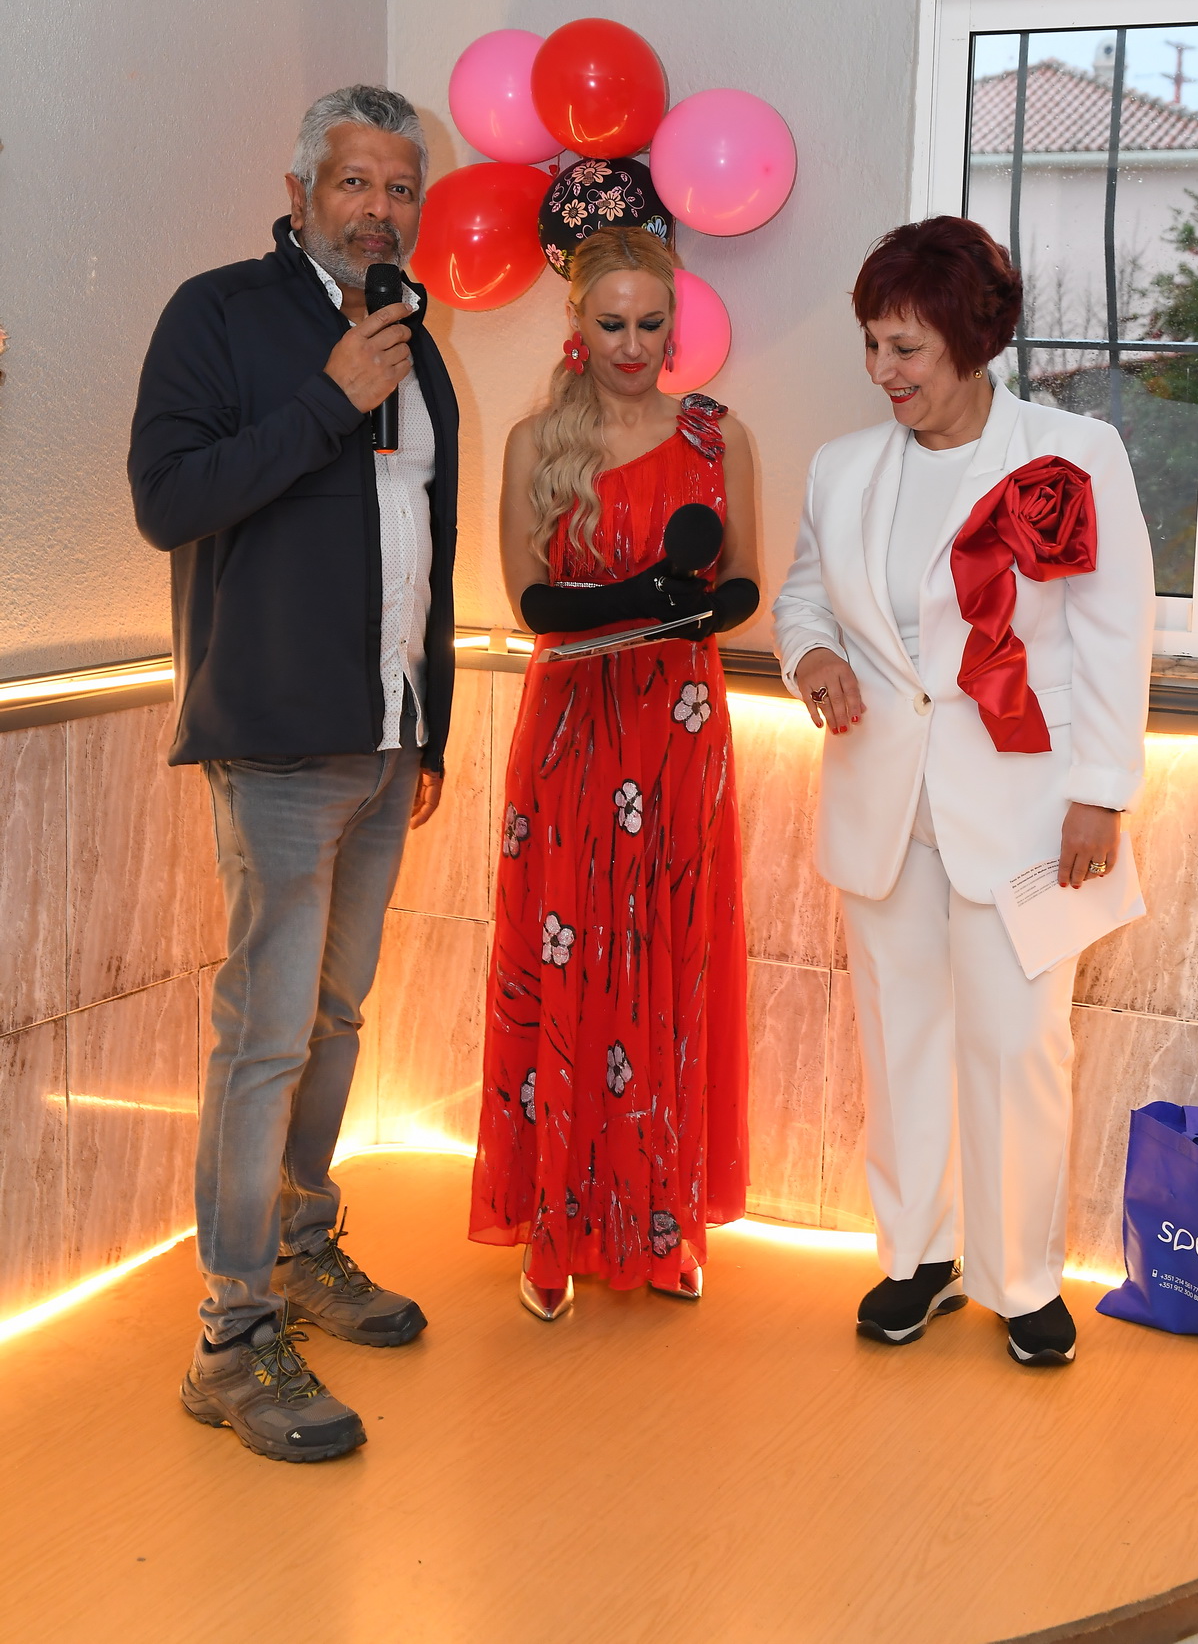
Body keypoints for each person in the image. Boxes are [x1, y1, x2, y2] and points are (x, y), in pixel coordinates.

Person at [129, 85, 458, 1462]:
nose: (380, 209)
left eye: (401, 188)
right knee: (263, 1035)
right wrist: (329, 401)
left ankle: (302, 1244)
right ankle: (231, 1332)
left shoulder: (414, 340)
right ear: (301, 190)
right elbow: (168, 501)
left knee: (334, 1021)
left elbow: (427, 543)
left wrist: (429, 724)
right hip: (272, 738)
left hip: (382, 740)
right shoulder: (217, 315)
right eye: (356, 182)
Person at [773, 216, 1154, 1367]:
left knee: (1016, 1044)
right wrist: (812, 657)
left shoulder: (1067, 455)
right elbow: (803, 596)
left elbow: (1110, 626)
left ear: (970, 340)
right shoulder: (842, 468)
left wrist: (1100, 792)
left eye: (905, 349)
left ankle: (1021, 1280)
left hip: (1026, 803)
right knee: (900, 1041)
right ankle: (918, 1258)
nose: (880, 372)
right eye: (871, 345)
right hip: (883, 803)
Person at [469, 226, 758, 1319]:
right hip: (573, 728)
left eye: (650, 324)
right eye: (611, 324)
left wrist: (698, 608)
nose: (633, 346)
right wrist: (645, 597)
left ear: (674, 323)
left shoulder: (718, 436)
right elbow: (531, 601)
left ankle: (662, 1221)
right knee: (570, 957)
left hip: (679, 726)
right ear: (575, 324)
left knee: (671, 959)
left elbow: (743, 582)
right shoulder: (535, 442)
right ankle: (555, 1227)